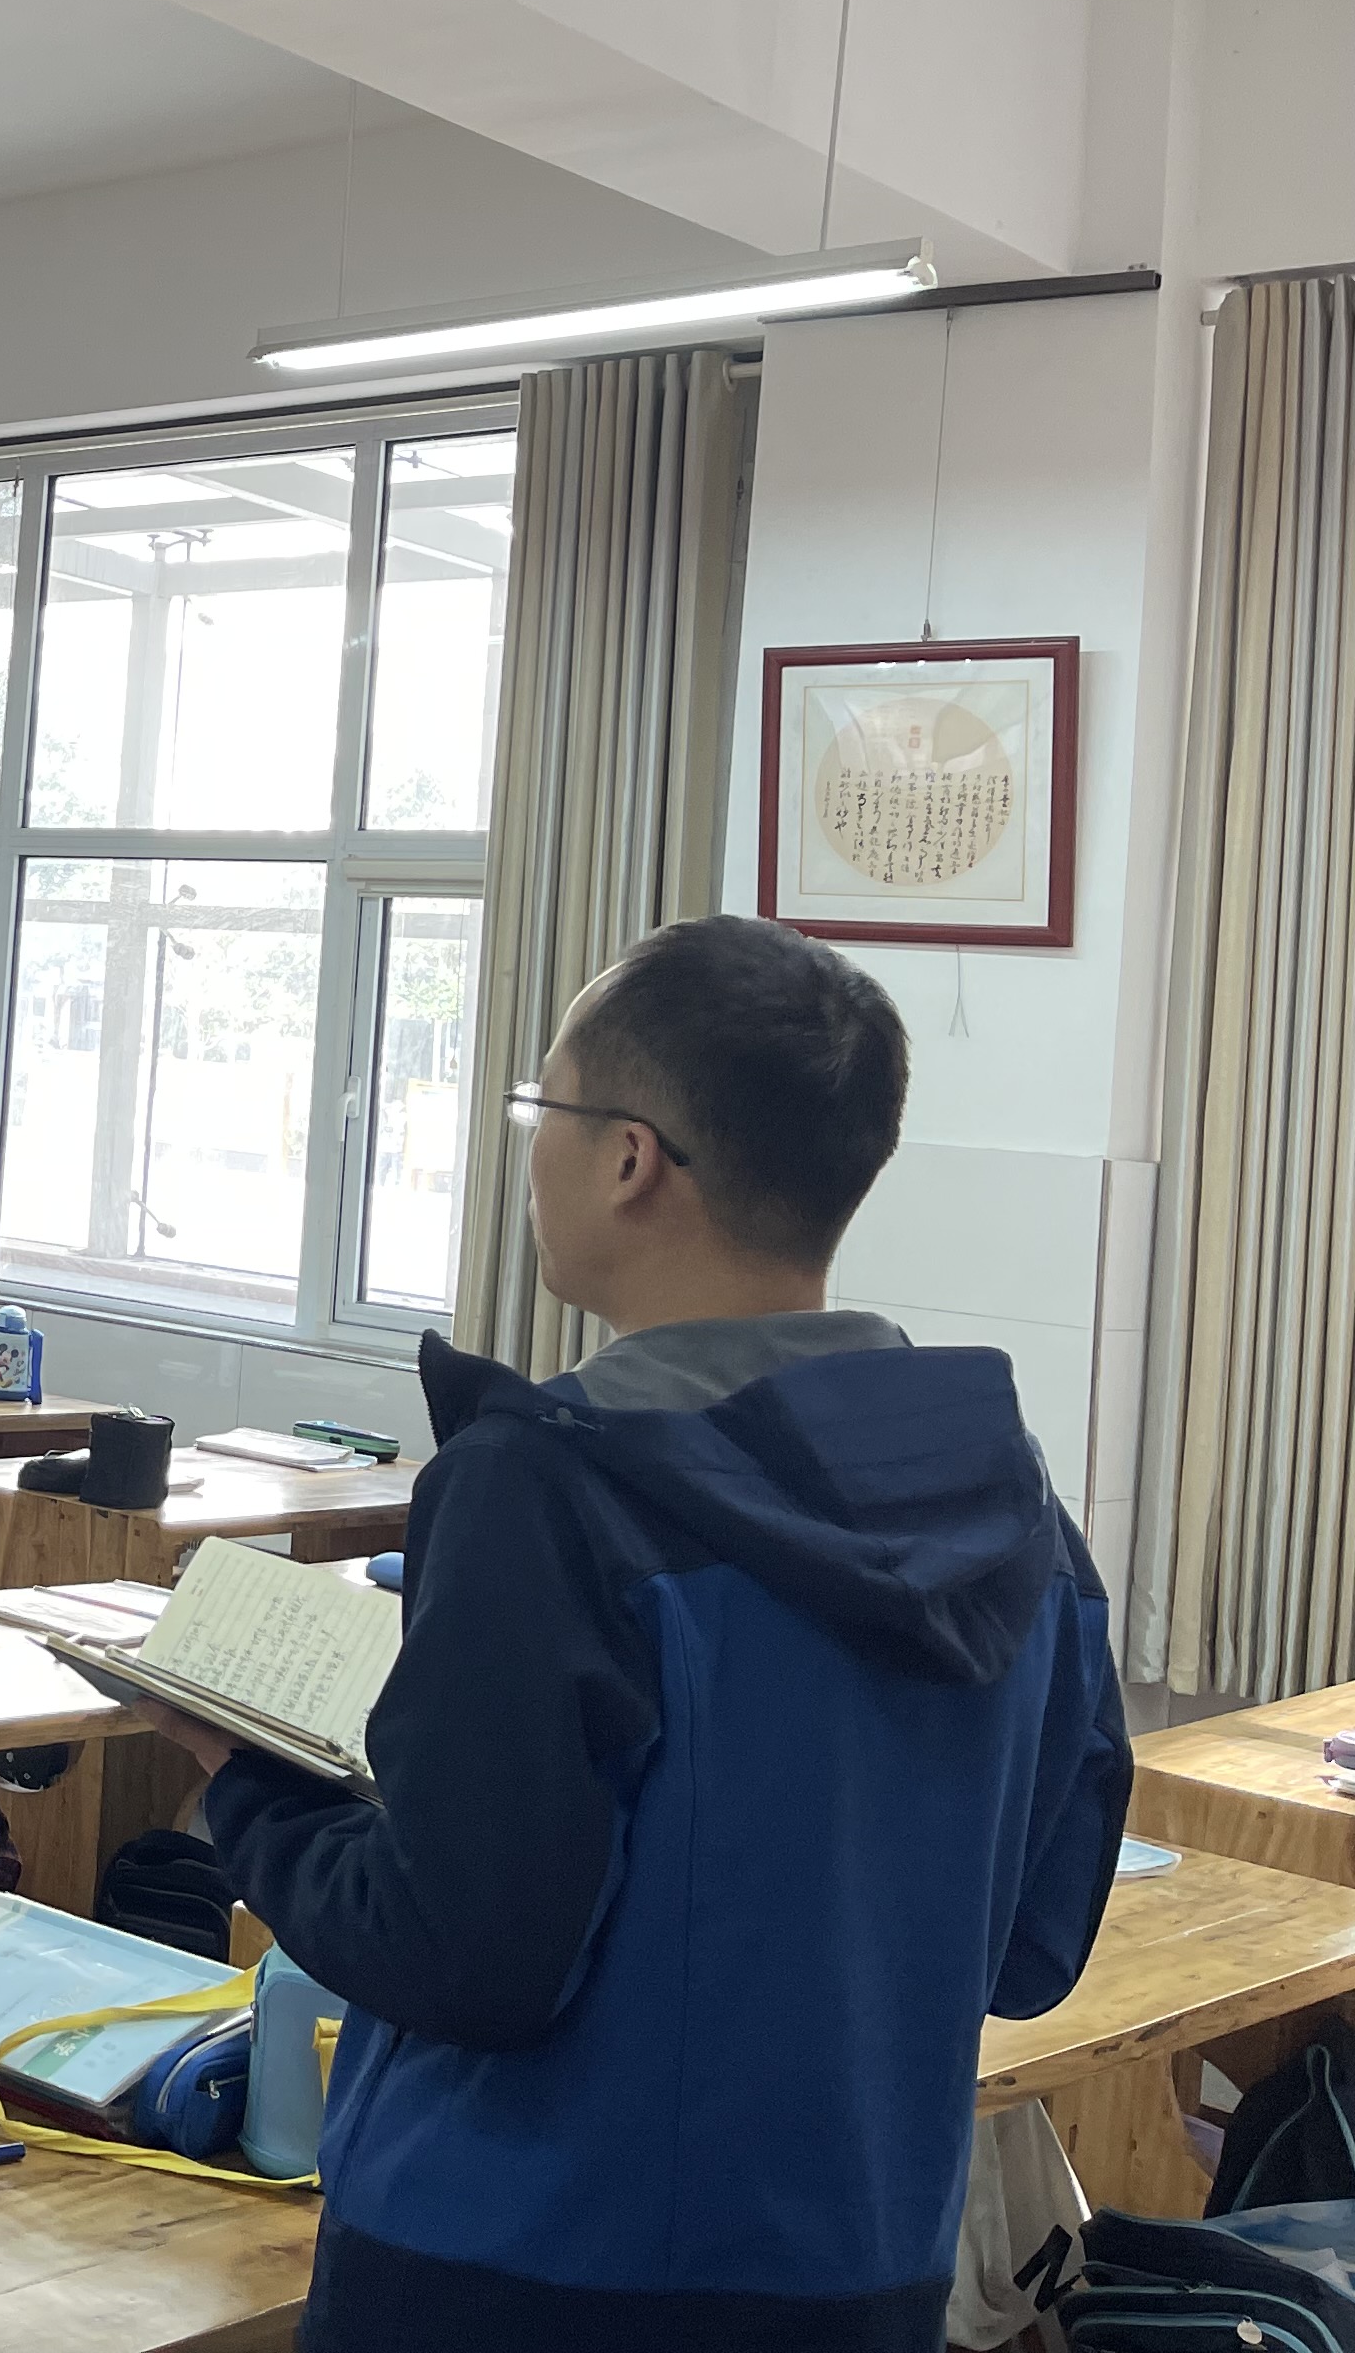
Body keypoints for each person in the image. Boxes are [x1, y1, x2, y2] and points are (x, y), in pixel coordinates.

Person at [179, 916, 1128, 2353]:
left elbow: (461, 1956)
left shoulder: (546, 1488)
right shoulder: (1017, 1509)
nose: (530, 1154)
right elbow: (1032, 1953)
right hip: (862, 2269)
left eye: (541, 1111)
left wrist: (245, 1781)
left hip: (511, 2272)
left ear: (630, 1158)